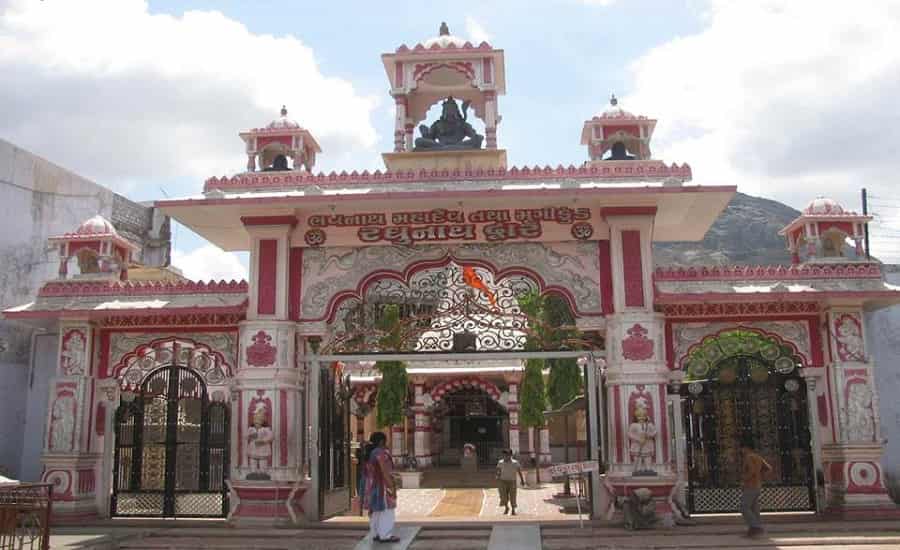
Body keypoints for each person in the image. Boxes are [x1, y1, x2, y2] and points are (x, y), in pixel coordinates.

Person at [361, 432, 399, 543]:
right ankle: (385, 535)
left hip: (372, 485)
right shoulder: (380, 453)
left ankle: (376, 533)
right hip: (382, 486)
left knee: (376, 510)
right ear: (382, 441)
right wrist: (391, 486)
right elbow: (384, 470)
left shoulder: (371, 452)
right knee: (387, 510)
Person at [741, 443, 772, 538]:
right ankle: (754, 530)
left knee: (744, 507)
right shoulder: (758, 457)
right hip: (758, 485)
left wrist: (745, 479)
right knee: (754, 509)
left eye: (742, 448)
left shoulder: (749, 457)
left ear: (746, 448)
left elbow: (752, 470)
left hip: (750, 486)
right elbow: (769, 468)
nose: (741, 451)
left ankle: (756, 527)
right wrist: (760, 477)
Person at [496, 449, 526, 516]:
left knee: (513, 496)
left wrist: (522, 480)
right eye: (504, 455)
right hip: (502, 481)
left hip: (512, 482)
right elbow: (498, 470)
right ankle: (506, 507)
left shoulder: (515, 463)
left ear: (510, 455)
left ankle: (513, 509)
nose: (506, 457)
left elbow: (519, 471)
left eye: (507, 455)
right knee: (503, 496)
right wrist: (497, 476)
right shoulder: (500, 462)